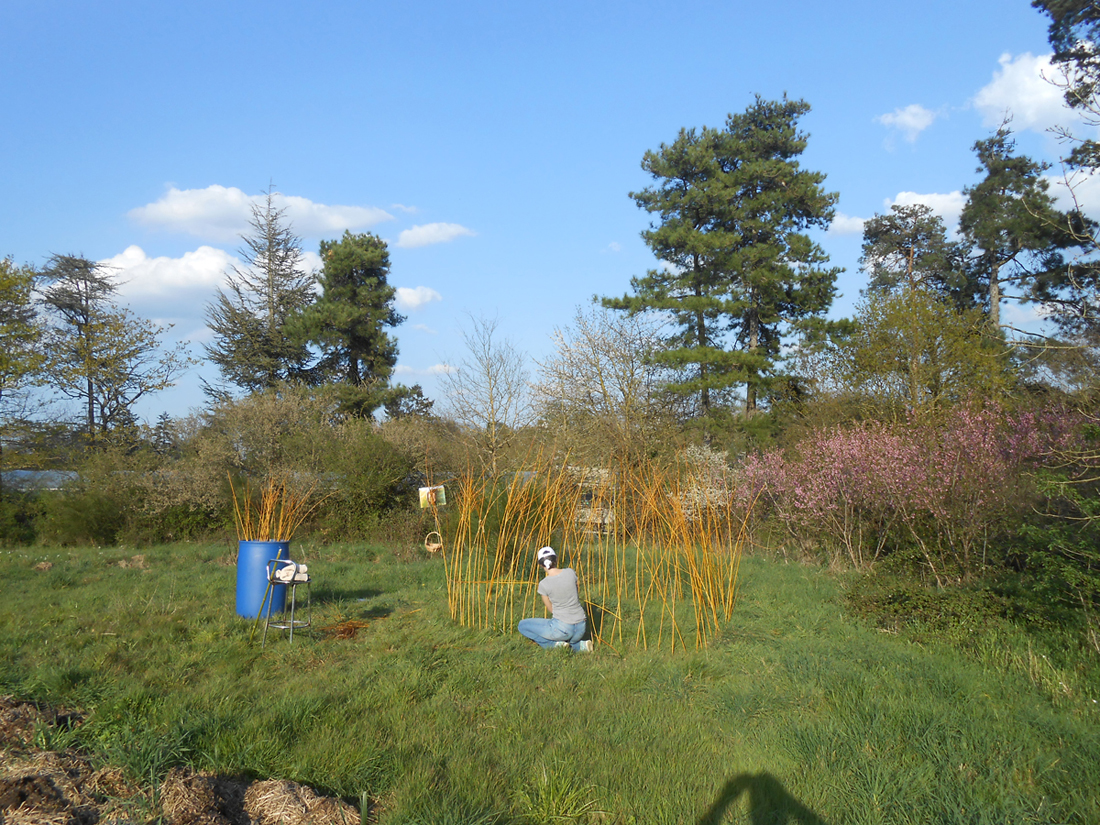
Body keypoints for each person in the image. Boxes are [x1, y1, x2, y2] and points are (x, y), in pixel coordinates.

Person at [518, 546, 592, 652]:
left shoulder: (544, 584)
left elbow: (551, 609)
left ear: (540, 565)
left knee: (522, 625)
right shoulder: (570, 572)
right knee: (567, 633)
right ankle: (581, 645)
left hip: (563, 629)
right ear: (556, 559)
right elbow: (576, 591)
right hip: (581, 627)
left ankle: (556, 645)